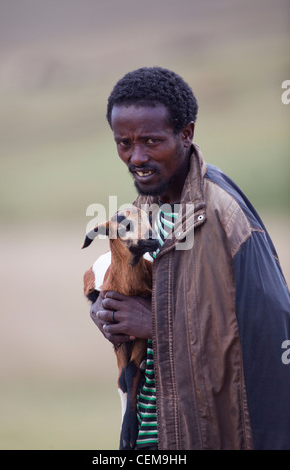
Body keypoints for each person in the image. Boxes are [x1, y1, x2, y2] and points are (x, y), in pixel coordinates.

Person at [89, 66, 290, 450]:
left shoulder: (223, 214)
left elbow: (271, 337)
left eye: (151, 141)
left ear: (186, 134)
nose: (137, 157)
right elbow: (136, 300)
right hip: (147, 434)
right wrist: (106, 313)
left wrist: (155, 324)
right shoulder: (141, 211)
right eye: (123, 143)